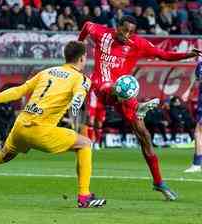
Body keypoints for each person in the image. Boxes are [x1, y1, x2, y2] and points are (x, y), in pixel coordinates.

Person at [0, 41, 106, 208]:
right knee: (85, 143)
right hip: (40, 130)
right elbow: (79, 93)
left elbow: (19, 90)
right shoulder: (81, 78)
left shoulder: (47, 72)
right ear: (82, 58)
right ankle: (84, 196)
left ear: (65, 56)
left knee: (3, 155)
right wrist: (77, 100)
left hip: (20, 125)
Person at [78, 15, 202, 201]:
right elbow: (87, 26)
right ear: (117, 26)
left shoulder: (138, 43)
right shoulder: (102, 34)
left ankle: (158, 182)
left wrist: (187, 55)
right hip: (102, 85)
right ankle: (135, 104)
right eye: (124, 30)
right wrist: (79, 50)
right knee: (108, 86)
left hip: (124, 96)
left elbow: (164, 55)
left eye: (131, 31)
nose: (127, 34)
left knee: (145, 136)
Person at [184, 59, 202, 172]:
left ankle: (196, 164)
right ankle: (197, 164)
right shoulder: (200, 65)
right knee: (199, 132)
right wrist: (188, 91)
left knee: (198, 132)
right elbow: (196, 79)